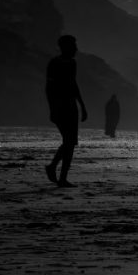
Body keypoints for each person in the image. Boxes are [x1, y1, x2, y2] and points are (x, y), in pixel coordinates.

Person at [45, 35, 87, 187]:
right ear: (65, 47)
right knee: (69, 142)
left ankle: (60, 175)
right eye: (73, 46)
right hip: (61, 107)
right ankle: (55, 170)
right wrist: (52, 109)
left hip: (71, 106)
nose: (76, 49)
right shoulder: (54, 63)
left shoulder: (72, 63)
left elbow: (74, 85)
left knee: (70, 142)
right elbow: (49, 89)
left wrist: (82, 106)